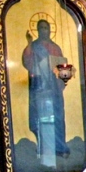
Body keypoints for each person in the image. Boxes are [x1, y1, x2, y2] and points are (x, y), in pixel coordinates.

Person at [22, 18, 69, 161]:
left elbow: (63, 68)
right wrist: (29, 43)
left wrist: (64, 76)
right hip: (40, 89)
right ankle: (45, 150)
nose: (43, 30)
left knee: (58, 119)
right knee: (40, 119)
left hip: (54, 90)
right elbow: (28, 63)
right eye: (41, 28)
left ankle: (60, 148)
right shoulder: (34, 46)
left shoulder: (56, 48)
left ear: (49, 30)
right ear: (37, 30)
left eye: (46, 27)